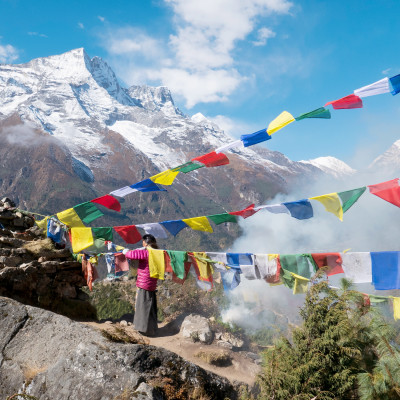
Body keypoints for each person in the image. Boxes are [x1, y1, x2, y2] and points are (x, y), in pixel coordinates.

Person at [123, 234, 159, 336]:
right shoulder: (157, 252)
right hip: (152, 282)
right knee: (150, 306)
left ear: (145, 242)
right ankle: (152, 328)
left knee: (142, 306)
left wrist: (126, 252)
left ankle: (143, 329)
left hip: (144, 283)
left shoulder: (146, 252)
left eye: (143, 241)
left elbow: (132, 255)